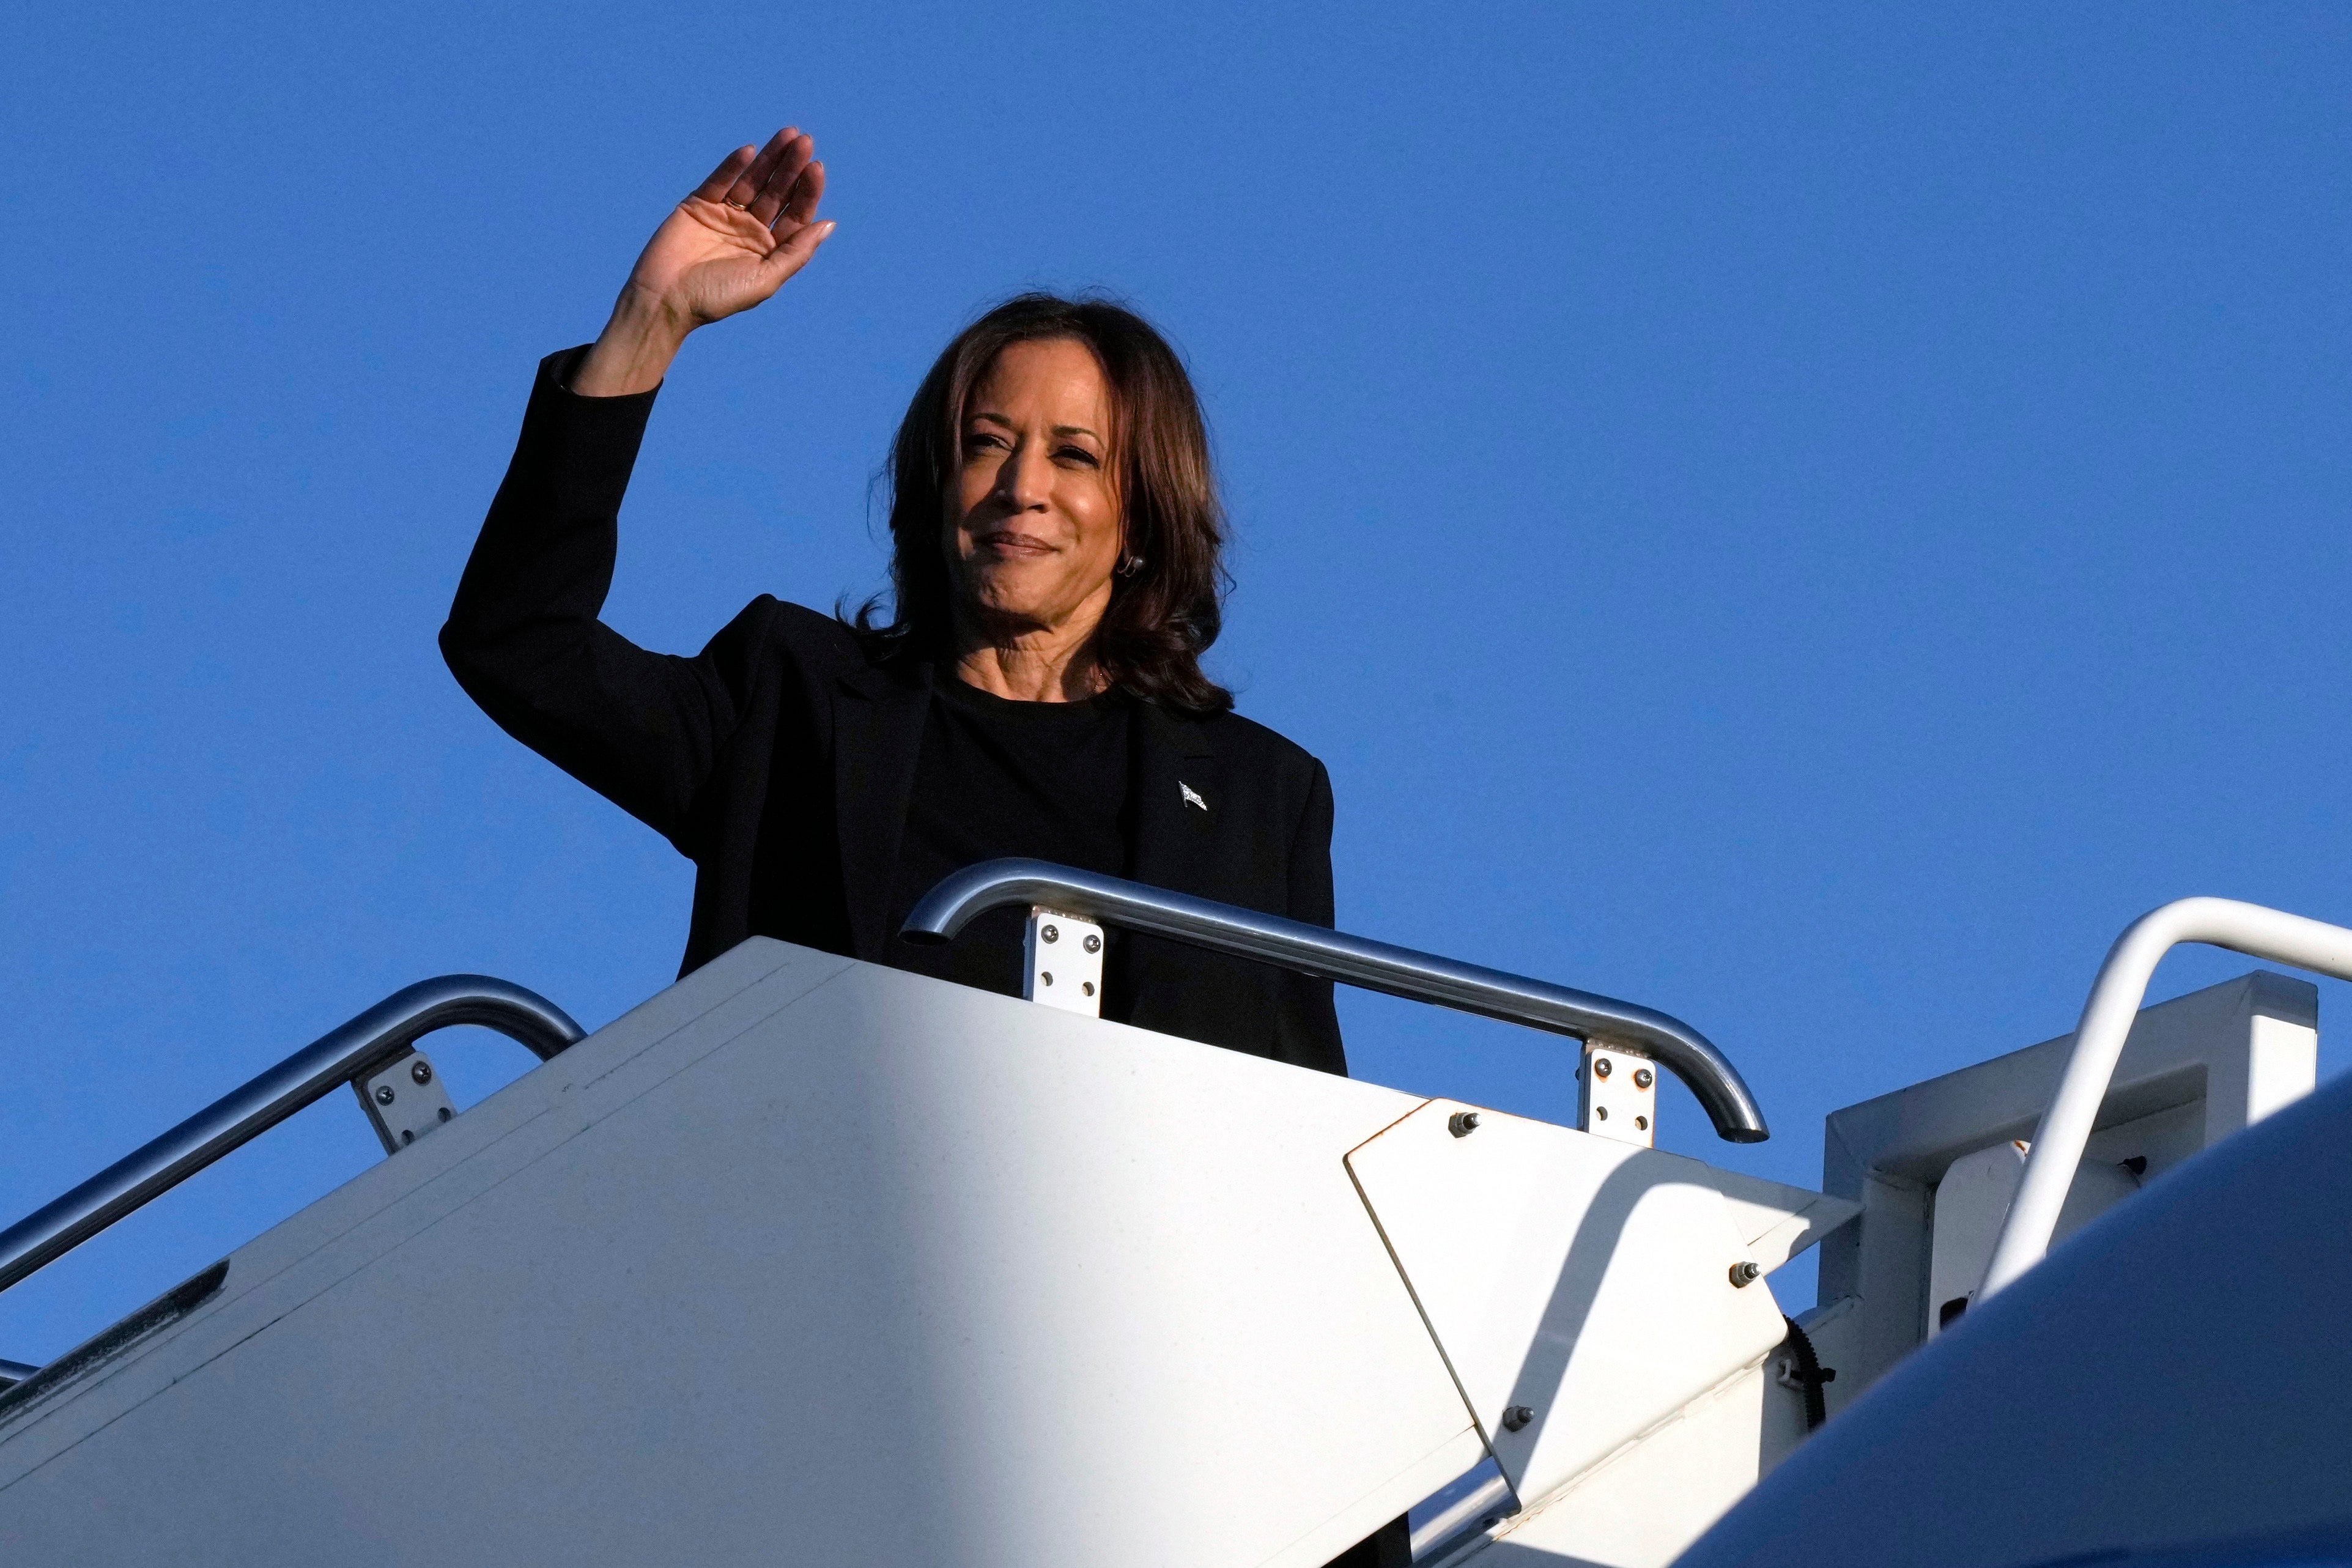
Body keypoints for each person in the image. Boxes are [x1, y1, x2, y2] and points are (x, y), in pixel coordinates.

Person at [443, 125, 1348, 1076]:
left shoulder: (1263, 793)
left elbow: (1299, 1105)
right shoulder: (789, 699)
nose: (1020, 486)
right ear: (935, 482)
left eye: (1074, 455)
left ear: (1143, 517)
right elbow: (519, 642)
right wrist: (647, 323)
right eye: (987, 443)